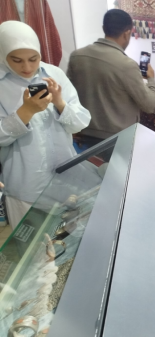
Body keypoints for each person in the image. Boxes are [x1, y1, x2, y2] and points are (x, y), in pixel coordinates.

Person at [0, 21, 91, 228]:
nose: (27, 67)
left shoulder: (54, 75)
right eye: (16, 60)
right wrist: (26, 112)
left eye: (33, 59)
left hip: (66, 179)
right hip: (25, 187)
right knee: (31, 244)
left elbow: (80, 123)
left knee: (69, 239)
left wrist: (60, 103)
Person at [67, 9, 155, 154]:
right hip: (117, 141)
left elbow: (68, 97)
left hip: (82, 137)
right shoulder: (126, 65)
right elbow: (149, 105)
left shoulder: (77, 56)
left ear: (104, 28)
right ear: (127, 33)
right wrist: (151, 79)